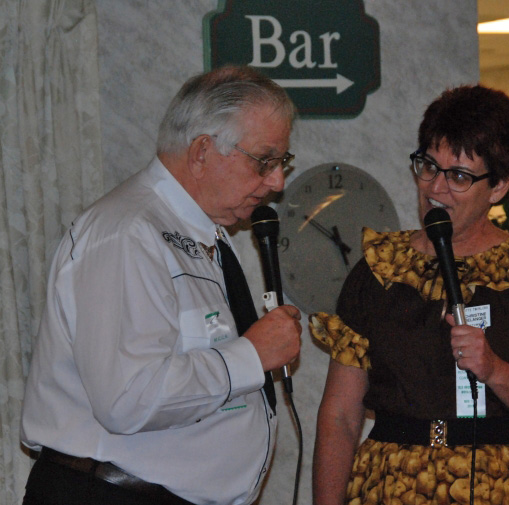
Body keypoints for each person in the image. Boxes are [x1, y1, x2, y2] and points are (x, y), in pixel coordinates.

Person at [310, 84, 509, 505]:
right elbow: (340, 417)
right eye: (429, 166)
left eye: (460, 176)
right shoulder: (379, 270)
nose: (436, 188)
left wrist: (495, 370)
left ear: (499, 187)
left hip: (503, 489)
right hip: (391, 486)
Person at [21, 66, 302, 505]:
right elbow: (128, 399)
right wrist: (252, 355)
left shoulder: (200, 234)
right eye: (264, 161)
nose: (277, 182)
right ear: (202, 151)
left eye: (281, 162)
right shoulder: (128, 233)